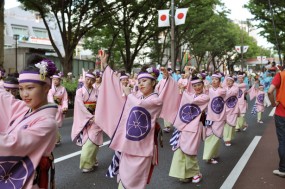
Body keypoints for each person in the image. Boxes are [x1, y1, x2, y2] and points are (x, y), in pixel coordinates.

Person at [96, 51, 180, 189]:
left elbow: (139, 105)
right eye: (139, 81)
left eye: (144, 81)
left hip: (142, 144)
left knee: (134, 180)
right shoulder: (137, 96)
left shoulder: (156, 100)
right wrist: (105, 65)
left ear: (153, 83)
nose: (140, 84)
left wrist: (167, 77)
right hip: (128, 141)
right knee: (123, 178)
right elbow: (118, 89)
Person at [0, 55, 58, 188]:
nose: (24, 94)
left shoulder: (48, 124)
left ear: (46, 88)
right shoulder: (23, 108)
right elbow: (3, 97)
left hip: (31, 181)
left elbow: (13, 144)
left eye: (30, 88)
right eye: (21, 88)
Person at [169, 75, 209, 183]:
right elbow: (179, 100)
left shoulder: (205, 97)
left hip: (195, 126)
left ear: (203, 85)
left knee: (190, 150)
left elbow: (191, 102)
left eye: (199, 84)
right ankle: (185, 174)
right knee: (181, 149)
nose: (197, 87)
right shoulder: (190, 95)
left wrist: (183, 91)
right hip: (184, 125)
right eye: (194, 85)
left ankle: (196, 173)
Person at [71, 70, 103, 173]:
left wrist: (96, 116)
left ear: (94, 81)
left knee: (92, 142)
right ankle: (91, 161)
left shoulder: (97, 92)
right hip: (85, 119)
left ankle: (88, 163)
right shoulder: (79, 92)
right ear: (84, 79)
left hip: (96, 119)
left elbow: (101, 105)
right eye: (87, 79)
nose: (89, 82)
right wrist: (89, 116)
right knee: (87, 142)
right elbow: (80, 105)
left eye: (92, 80)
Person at [203, 72, 226, 164]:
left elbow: (222, 92)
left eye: (216, 79)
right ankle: (208, 156)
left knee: (217, 135)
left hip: (219, 116)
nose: (214, 81)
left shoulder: (221, 90)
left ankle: (213, 154)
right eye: (212, 79)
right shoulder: (208, 90)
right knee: (210, 136)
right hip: (210, 116)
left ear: (220, 81)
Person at [268, 67, 285, 177]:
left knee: (283, 140)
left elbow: (269, 91)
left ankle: (283, 169)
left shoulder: (280, 75)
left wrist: (273, 104)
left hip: (281, 113)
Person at [48, 72, 68, 145]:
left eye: (57, 80)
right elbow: (49, 97)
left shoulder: (63, 89)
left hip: (59, 108)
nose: (55, 81)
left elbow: (65, 99)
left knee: (56, 124)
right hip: (50, 107)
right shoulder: (50, 88)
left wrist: (64, 107)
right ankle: (56, 138)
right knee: (51, 124)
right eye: (54, 79)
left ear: (60, 80)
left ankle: (56, 138)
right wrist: (52, 105)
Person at [222, 75, 239, 147]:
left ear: (233, 82)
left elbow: (230, 93)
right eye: (227, 81)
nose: (228, 82)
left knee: (232, 124)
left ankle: (229, 137)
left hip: (233, 108)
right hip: (225, 108)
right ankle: (227, 139)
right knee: (226, 124)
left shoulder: (236, 88)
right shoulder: (224, 88)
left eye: (230, 81)